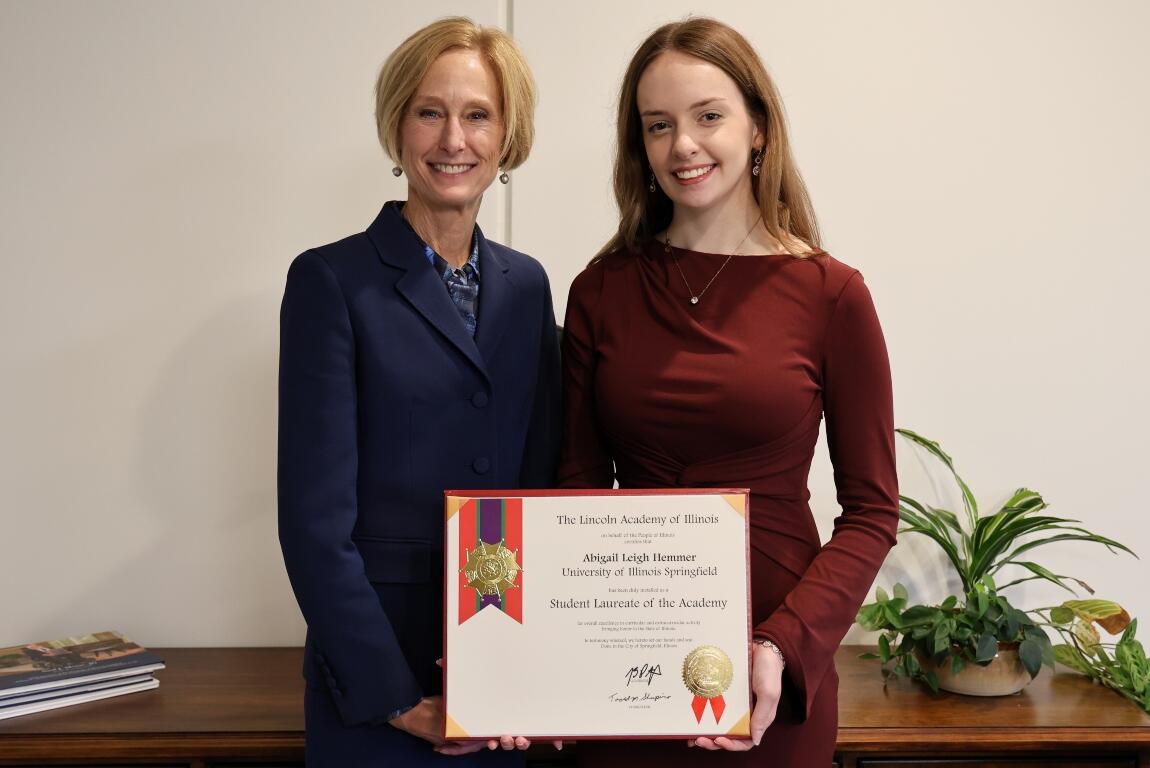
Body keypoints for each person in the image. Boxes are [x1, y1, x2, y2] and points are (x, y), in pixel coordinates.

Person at [558, 17, 898, 767]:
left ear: (758, 130)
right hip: (624, 664)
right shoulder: (600, 290)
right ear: (639, 148)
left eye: (708, 116)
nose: (683, 145)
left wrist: (782, 643)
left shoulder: (832, 294)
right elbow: (575, 489)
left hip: (769, 671)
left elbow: (873, 510)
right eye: (658, 125)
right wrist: (549, 656)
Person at [278, 17, 559, 767]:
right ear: (398, 126)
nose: (452, 139)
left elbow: (539, 484)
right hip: (373, 688)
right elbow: (313, 526)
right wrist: (396, 699)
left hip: (503, 673)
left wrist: (543, 667)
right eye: (430, 112)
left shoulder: (528, 286)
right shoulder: (330, 281)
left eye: (477, 115)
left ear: (506, 136)